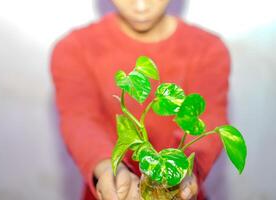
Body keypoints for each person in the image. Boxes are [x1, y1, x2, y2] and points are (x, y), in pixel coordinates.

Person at [50, 0, 230, 199]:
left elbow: (208, 118)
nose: (141, 5)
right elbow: (80, 120)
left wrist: (184, 171)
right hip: (114, 190)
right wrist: (110, 170)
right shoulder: (75, 48)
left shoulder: (207, 49)